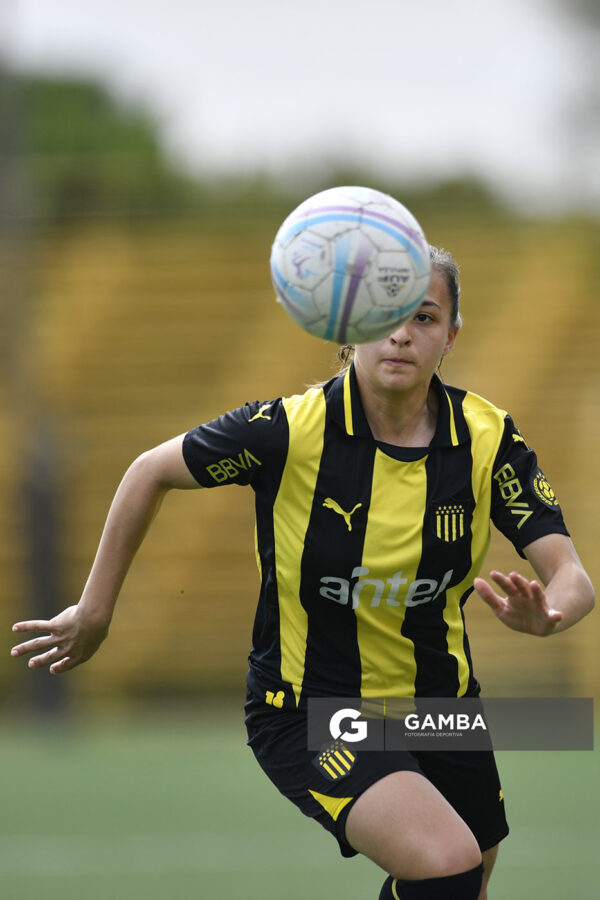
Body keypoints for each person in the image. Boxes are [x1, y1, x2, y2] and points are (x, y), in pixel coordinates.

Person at [11, 245, 594, 900]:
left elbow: (570, 574)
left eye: (425, 317)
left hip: (439, 705)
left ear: (452, 335)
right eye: (383, 315)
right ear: (348, 330)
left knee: (468, 880)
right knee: (447, 863)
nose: (401, 333)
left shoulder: (488, 439)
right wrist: (95, 610)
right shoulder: (289, 430)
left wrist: (549, 616)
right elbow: (150, 471)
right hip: (313, 710)